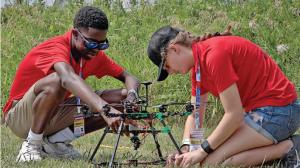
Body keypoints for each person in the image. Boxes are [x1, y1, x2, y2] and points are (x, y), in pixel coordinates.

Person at [147, 25, 300, 167]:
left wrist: (202, 150)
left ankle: (288, 148)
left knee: (212, 162)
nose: (170, 72)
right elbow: (196, 115)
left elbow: (234, 115)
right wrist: (188, 148)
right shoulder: (198, 68)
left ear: (174, 49)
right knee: (208, 159)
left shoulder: (214, 55)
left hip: (280, 112)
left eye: (166, 65)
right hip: (260, 113)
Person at [3, 6, 140, 162]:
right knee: (58, 81)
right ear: (75, 34)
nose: (96, 50)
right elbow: (67, 78)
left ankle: (55, 142)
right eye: (92, 43)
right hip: (20, 117)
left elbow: (130, 78)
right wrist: (105, 109)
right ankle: (32, 144)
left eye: (102, 44)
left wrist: (131, 98)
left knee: (122, 99)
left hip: (54, 113)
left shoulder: (93, 54)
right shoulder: (56, 47)